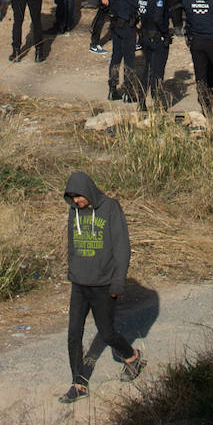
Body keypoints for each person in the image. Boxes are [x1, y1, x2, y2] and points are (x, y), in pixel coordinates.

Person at [58, 172, 145, 404]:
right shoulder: (74, 211)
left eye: (79, 196)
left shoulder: (110, 208)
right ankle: (78, 383)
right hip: (79, 283)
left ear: (88, 190)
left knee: (106, 333)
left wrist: (118, 281)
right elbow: (72, 242)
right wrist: (73, 271)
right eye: (72, 198)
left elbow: (122, 247)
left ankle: (131, 356)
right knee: (73, 334)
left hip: (104, 284)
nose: (76, 201)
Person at [137, 0, 173, 110]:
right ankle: (157, 101)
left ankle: (141, 100)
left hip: (145, 36)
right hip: (157, 38)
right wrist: (165, 32)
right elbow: (158, 18)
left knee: (147, 69)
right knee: (157, 71)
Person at [106, 0, 141, 101]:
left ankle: (112, 89)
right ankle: (128, 91)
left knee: (116, 56)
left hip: (115, 23)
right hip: (127, 24)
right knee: (129, 58)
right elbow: (137, 0)